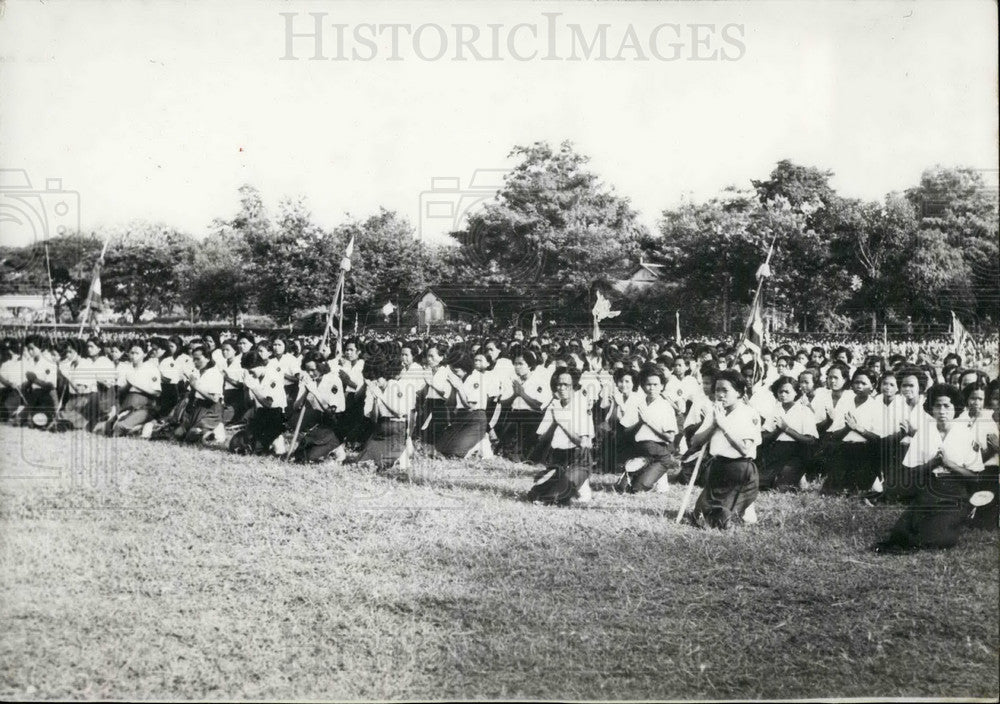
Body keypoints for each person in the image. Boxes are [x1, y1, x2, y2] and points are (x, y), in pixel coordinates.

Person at [872, 384, 986, 553]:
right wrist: (931, 464)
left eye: (947, 406)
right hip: (929, 490)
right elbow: (911, 471)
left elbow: (975, 477)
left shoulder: (966, 434)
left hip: (955, 494)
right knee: (902, 531)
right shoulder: (924, 433)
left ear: (956, 408)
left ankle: (959, 518)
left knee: (938, 538)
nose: (942, 411)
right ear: (931, 409)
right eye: (937, 406)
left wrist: (949, 464)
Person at [686, 370, 761, 529]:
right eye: (717, 390)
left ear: (739, 392)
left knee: (718, 520)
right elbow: (695, 442)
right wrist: (713, 424)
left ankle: (745, 504)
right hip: (718, 468)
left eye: (725, 390)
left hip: (740, 469)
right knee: (699, 516)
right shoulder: (715, 412)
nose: (720, 394)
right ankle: (739, 505)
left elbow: (744, 449)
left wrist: (723, 425)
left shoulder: (749, 413)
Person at [526, 366, 595, 506]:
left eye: (566, 385)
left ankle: (579, 484)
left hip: (579, 458)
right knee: (534, 493)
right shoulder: (555, 405)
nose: (561, 388)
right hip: (559, 458)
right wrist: (554, 423)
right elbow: (542, 438)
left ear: (574, 386)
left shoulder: (582, 404)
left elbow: (584, 443)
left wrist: (562, 422)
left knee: (557, 496)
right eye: (559, 384)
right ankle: (574, 483)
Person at [613, 364, 678, 493]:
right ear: (642, 386)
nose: (652, 388)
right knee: (622, 488)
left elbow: (670, 438)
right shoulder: (638, 404)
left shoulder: (665, 407)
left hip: (659, 451)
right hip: (639, 449)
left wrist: (648, 423)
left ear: (662, 386)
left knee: (637, 489)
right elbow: (626, 431)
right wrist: (639, 423)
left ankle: (657, 475)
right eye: (648, 384)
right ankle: (645, 471)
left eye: (655, 385)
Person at [758, 375, 818, 490]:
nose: (783, 394)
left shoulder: (804, 411)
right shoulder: (775, 410)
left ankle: (799, 477)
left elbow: (810, 440)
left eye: (787, 391)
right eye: (780, 391)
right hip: (776, 452)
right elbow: (764, 436)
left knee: (781, 487)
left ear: (796, 392)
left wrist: (786, 429)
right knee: (761, 485)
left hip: (796, 453)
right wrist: (777, 431)